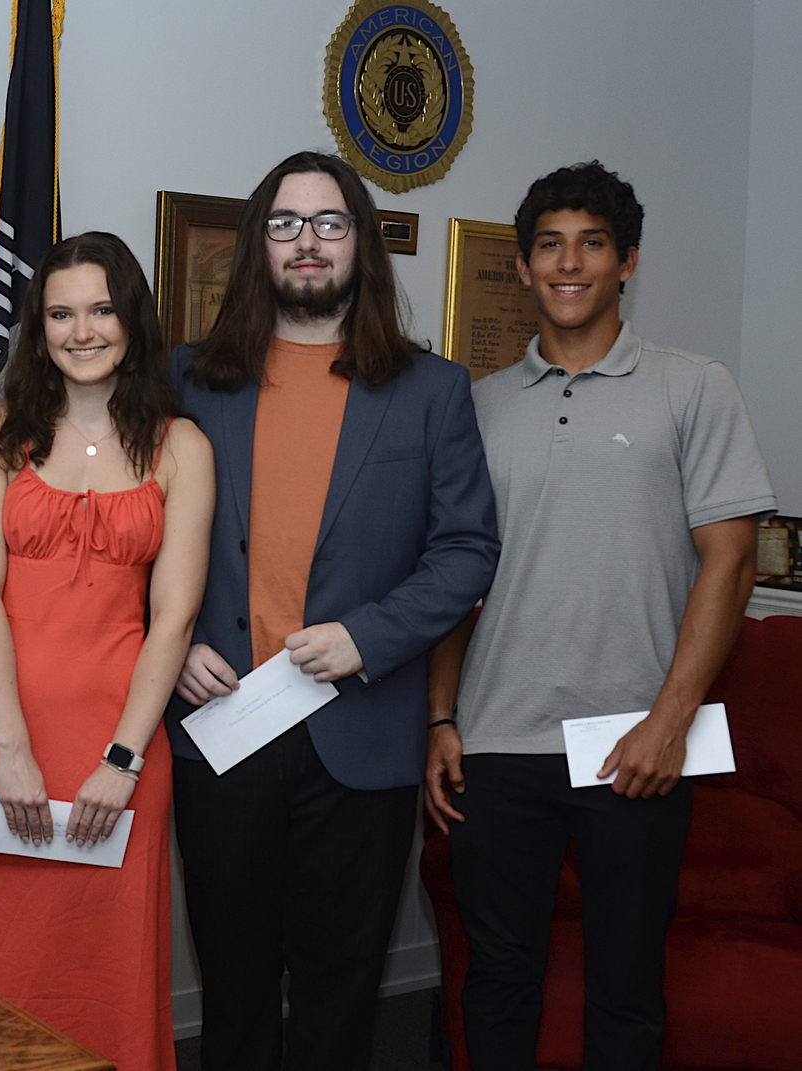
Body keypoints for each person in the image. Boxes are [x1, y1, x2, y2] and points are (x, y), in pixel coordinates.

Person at [425, 162, 776, 1071]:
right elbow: (457, 577)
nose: (568, 263)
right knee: (497, 980)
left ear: (626, 263)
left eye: (590, 244)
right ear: (525, 265)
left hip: (638, 744)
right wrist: (441, 715)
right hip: (499, 744)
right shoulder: (480, 406)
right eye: (549, 245)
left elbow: (730, 563)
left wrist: (671, 720)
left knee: (626, 984)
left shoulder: (694, 387)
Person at [164, 151, 500, 1071]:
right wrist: (178, 643)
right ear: (255, 247)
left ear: (362, 243)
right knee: (231, 993)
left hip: (361, 738)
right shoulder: (186, 378)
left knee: (339, 997)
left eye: (328, 222)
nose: (305, 242)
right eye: (284, 223)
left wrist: (369, 635)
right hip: (220, 724)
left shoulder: (432, 392)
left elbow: (467, 548)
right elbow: (129, 531)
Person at [0, 231, 215, 1071]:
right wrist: (10, 751)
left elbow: (175, 618)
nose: (82, 330)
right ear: (38, 327)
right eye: (61, 312)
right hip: (2, 736)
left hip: (120, 745)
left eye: (101, 309)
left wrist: (122, 758)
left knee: (107, 970)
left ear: (132, 319)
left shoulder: (182, 448)